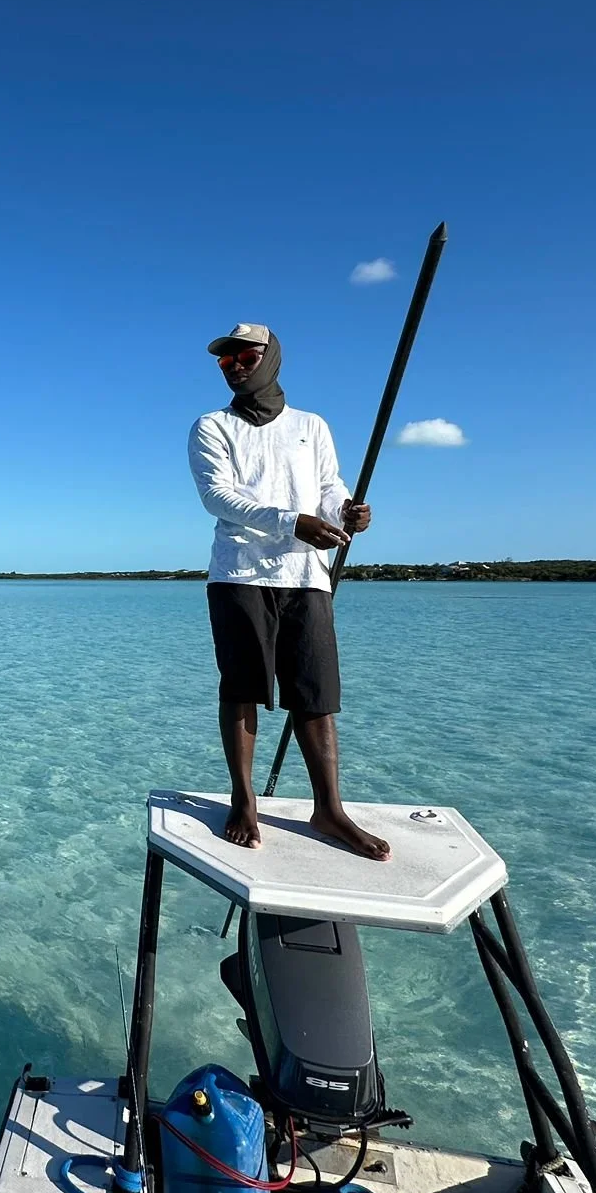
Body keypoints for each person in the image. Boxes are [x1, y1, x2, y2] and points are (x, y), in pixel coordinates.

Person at [188, 322, 390, 860]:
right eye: (225, 360)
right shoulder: (212, 425)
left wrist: (346, 513)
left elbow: (329, 488)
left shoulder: (311, 425)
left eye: (245, 355)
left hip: (306, 576)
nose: (235, 364)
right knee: (242, 686)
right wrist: (289, 521)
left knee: (316, 693)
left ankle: (329, 808)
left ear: (271, 357)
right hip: (239, 575)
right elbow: (218, 497)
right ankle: (244, 798)